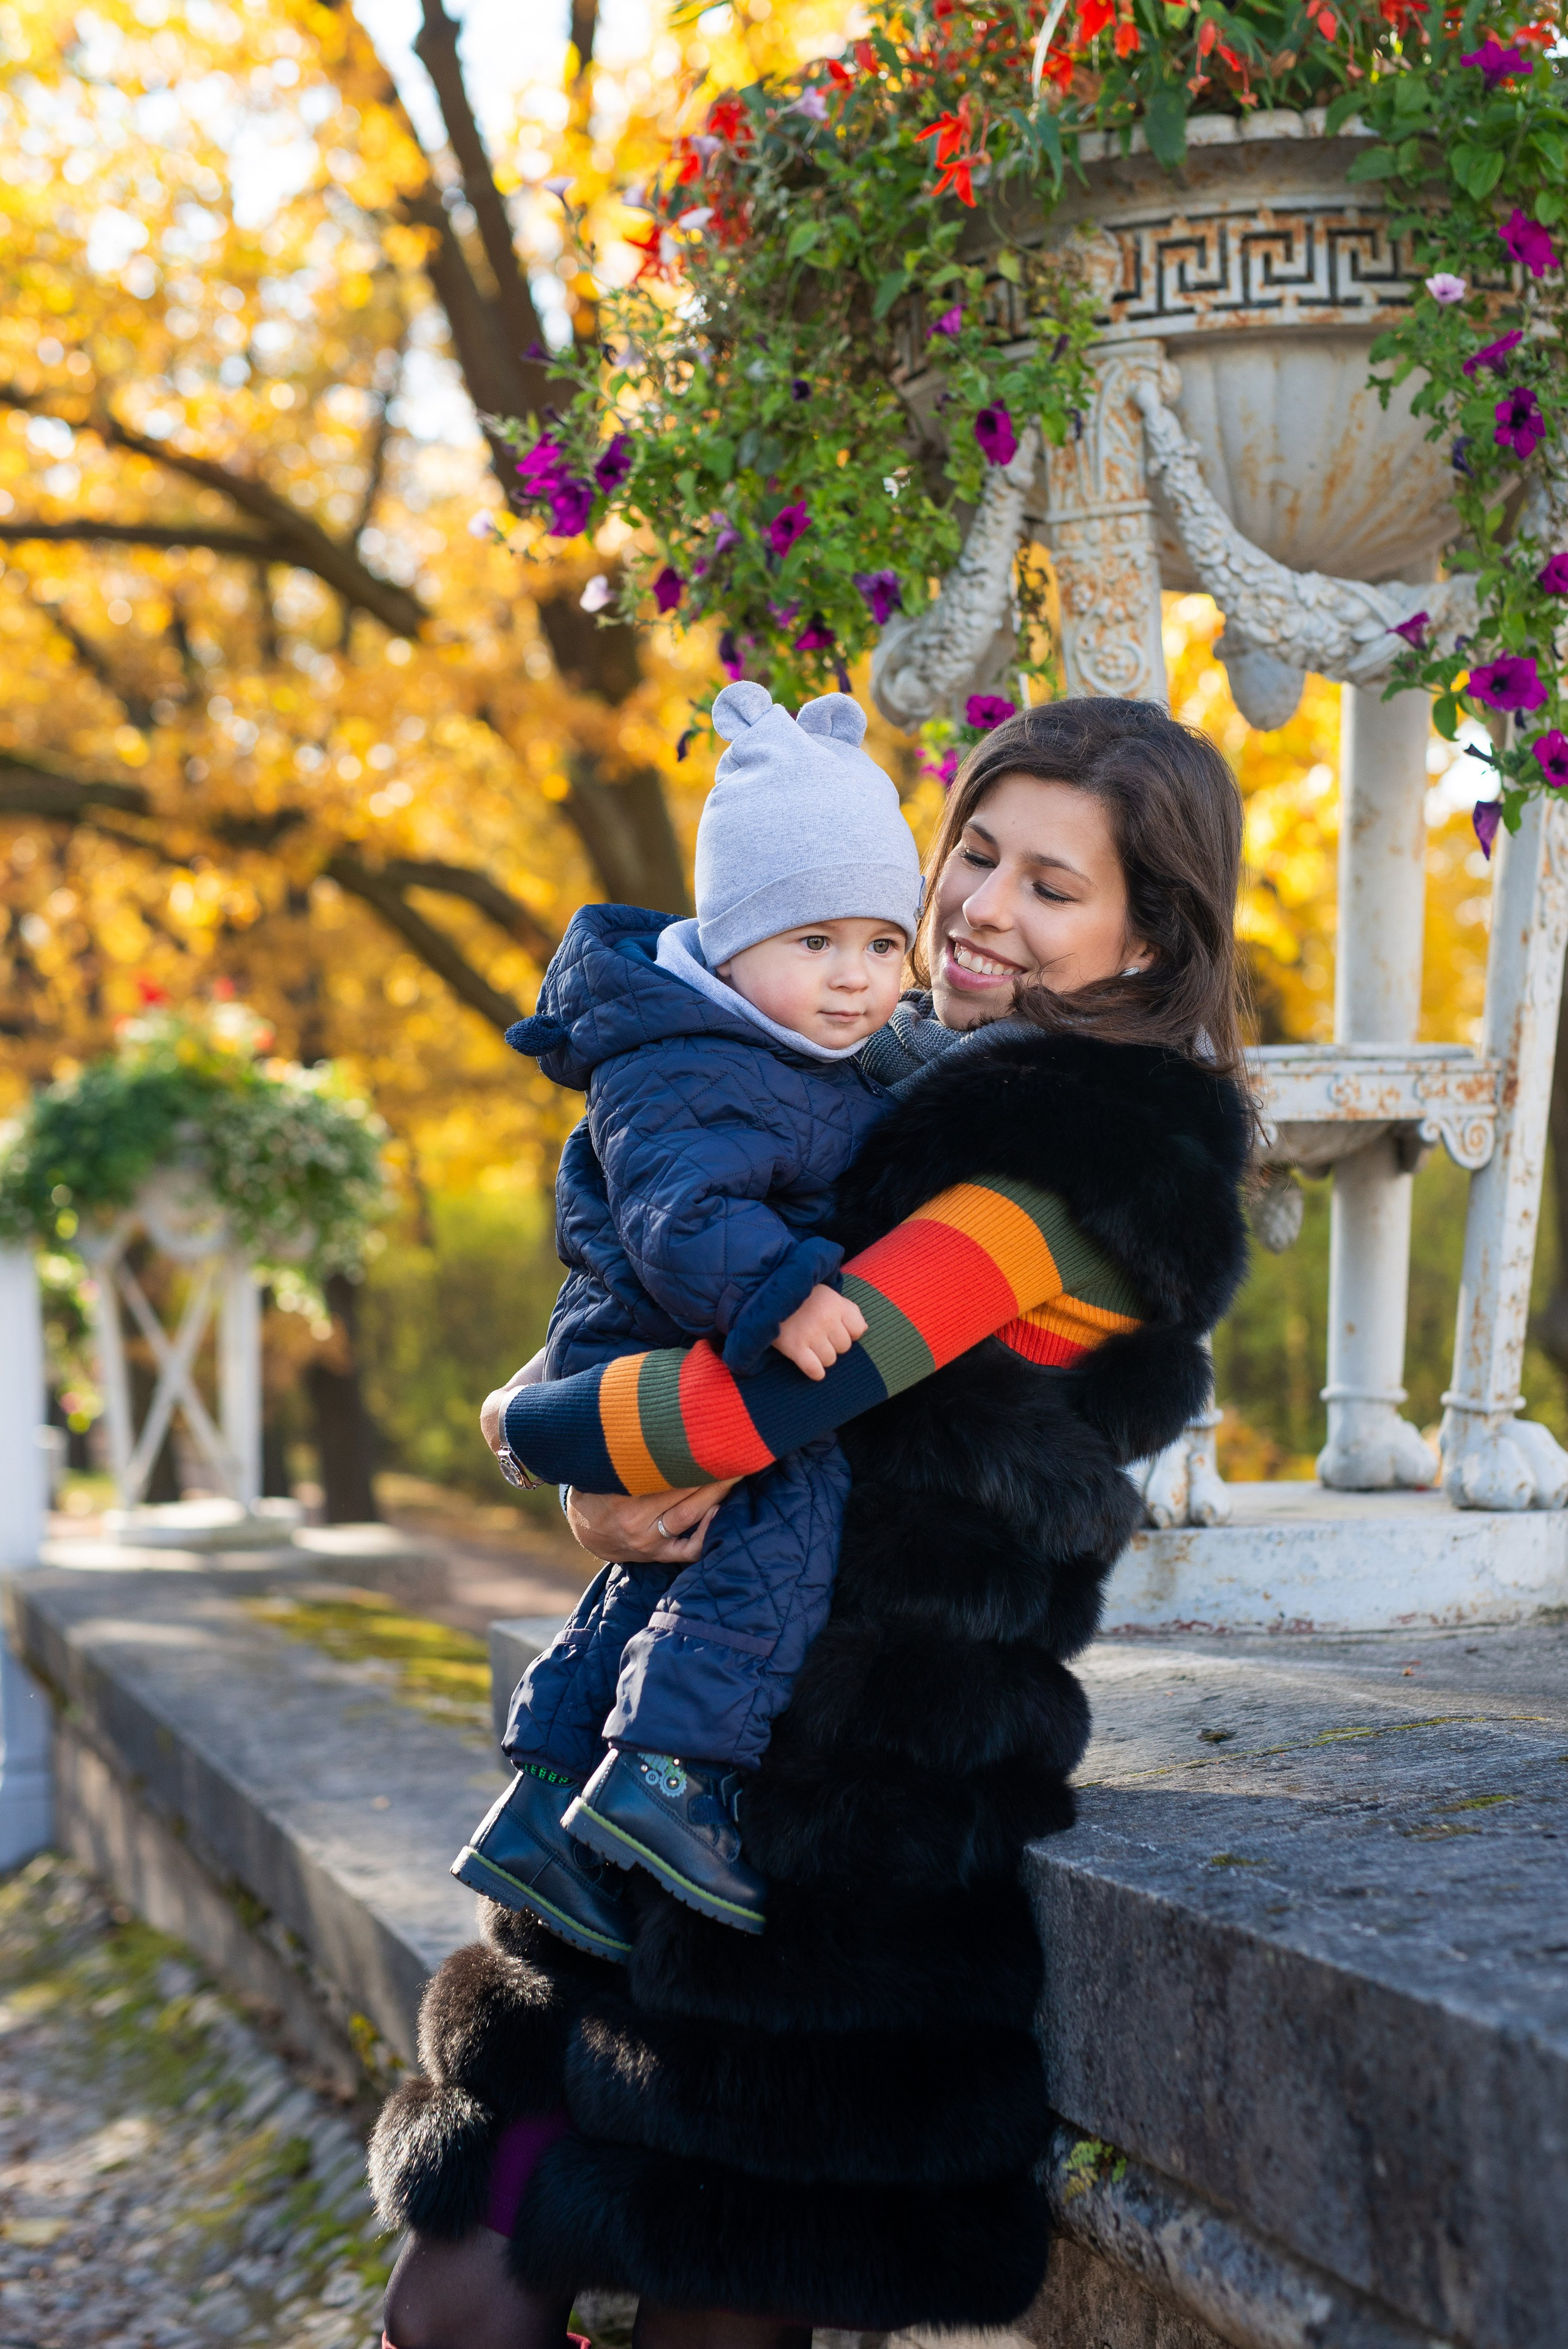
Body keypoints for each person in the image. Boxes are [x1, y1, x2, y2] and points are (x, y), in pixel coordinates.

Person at [372, 696, 1253, 2349]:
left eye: (1053, 887)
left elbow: (740, 1406)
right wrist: (603, 1490)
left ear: (1152, 931)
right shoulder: (864, 1069)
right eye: (974, 852)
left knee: (711, 2321)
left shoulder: (1071, 1164)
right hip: (668, 1776)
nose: (983, 908)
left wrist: (521, 1427)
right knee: (453, 2301)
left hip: (845, 1844)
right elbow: (670, 1290)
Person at [453, 681, 922, 1953]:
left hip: (661, 1349)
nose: (856, 979)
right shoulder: (690, 1061)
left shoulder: (769, 1048)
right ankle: (669, 1775)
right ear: (730, 943)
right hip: (681, 1338)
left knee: (673, 1558)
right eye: (815, 942)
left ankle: (547, 1794)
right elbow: (676, 1214)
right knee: (781, 1522)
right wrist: (781, 1293)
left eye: (883, 944)